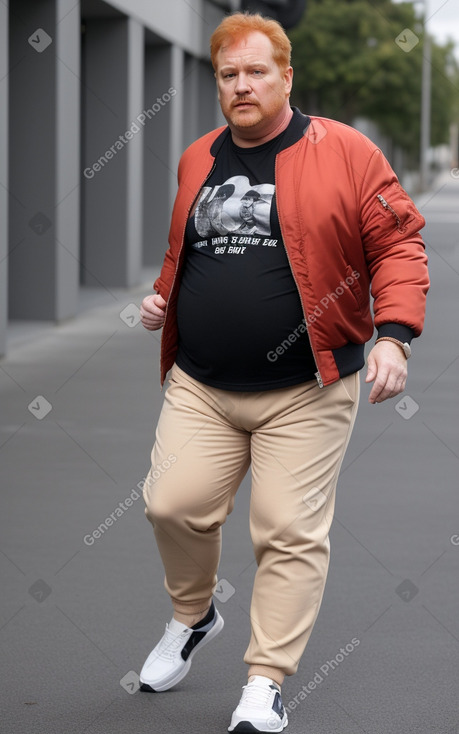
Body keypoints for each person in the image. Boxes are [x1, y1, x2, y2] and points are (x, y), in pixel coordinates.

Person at [138, 11, 429, 733]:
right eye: (228, 75)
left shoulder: (347, 152)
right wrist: (163, 296)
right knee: (170, 504)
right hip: (201, 383)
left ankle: (263, 681)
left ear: (286, 76)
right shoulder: (198, 155)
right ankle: (193, 615)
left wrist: (393, 335)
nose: (241, 86)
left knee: (287, 530)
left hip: (307, 387)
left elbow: (398, 246)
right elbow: (189, 249)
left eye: (255, 72)